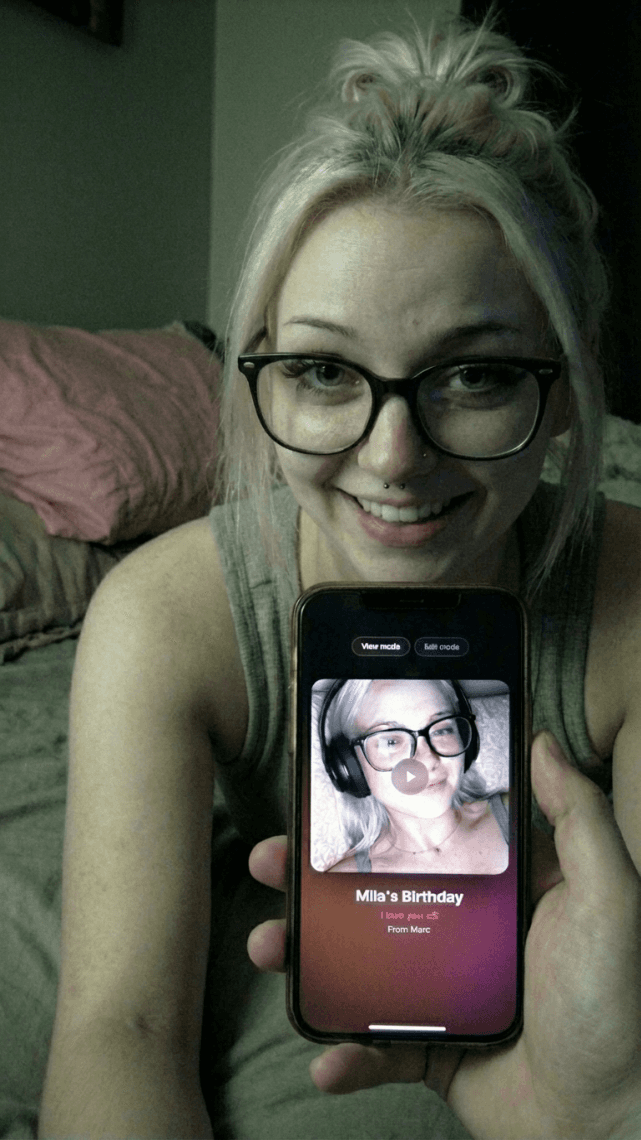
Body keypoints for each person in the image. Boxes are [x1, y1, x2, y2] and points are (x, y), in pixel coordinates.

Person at [39, 11, 641, 1140]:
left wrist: (608, 1114)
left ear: (562, 392)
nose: (392, 458)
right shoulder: (160, 619)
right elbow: (120, 1031)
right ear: (261, 375)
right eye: (322, 370)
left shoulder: (632, 608)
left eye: (473, 375)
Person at [317, 678, 509, 874]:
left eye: (441, 730)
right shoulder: (345, 879)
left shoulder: (514, 814)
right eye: (391, 741)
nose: (428, 760)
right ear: (350, 766)